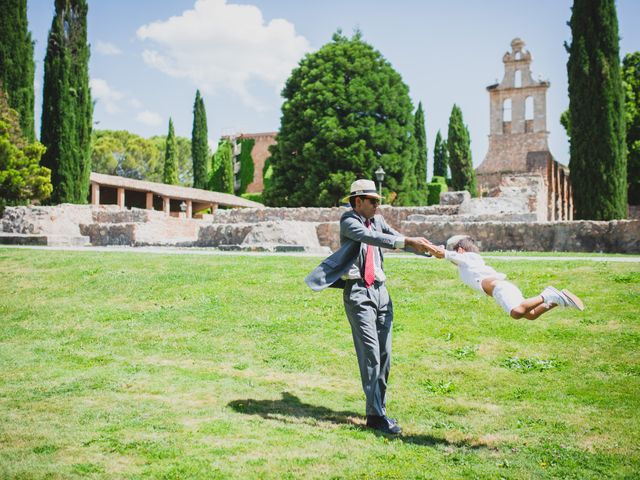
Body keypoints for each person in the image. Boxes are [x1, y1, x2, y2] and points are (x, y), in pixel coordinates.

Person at [305, 179, 432, 435]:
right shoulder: (349, 220)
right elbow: (372, 237)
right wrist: (406, 240)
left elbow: (395, 238)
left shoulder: (379, 220)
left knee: (385, 357)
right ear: (358, 200)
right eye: (372, 201)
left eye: (378, 201)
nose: (377, 205)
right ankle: (375, 416)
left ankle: (378, 410)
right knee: (371, 356)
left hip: (382, 293)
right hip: (359, 293)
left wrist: (429, 250)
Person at [424, 235, 584, 319]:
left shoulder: (468, 257)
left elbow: (443, 254)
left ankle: (548, 294)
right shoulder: (466, 262)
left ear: (460, 250)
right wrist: (436, 252)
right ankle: (556, 300)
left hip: (500, 289)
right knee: (531, 315)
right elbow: (446, 257)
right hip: (501, 289)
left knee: (517, 313)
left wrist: (426, 246)